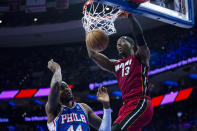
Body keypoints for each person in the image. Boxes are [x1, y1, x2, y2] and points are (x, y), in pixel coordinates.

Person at [85, 13, 153, 131]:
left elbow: (140, 38)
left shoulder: (140, 57)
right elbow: (92, 55)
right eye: (117, 44)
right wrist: (87, 28)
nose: (118, 45)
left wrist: (130, 16)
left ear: (132, 45)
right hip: (126, 107)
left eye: (122, 42)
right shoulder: (115, 65)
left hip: (140, 102)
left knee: (116, 129)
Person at [46, 59, 111, 131]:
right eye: (62, 88)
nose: (67, 89)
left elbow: (106, 129)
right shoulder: (54, 109)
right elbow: (56, 85)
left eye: (67, 87)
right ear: (57, 94)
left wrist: (106, 105)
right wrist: (57, 68)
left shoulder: (84, 108)